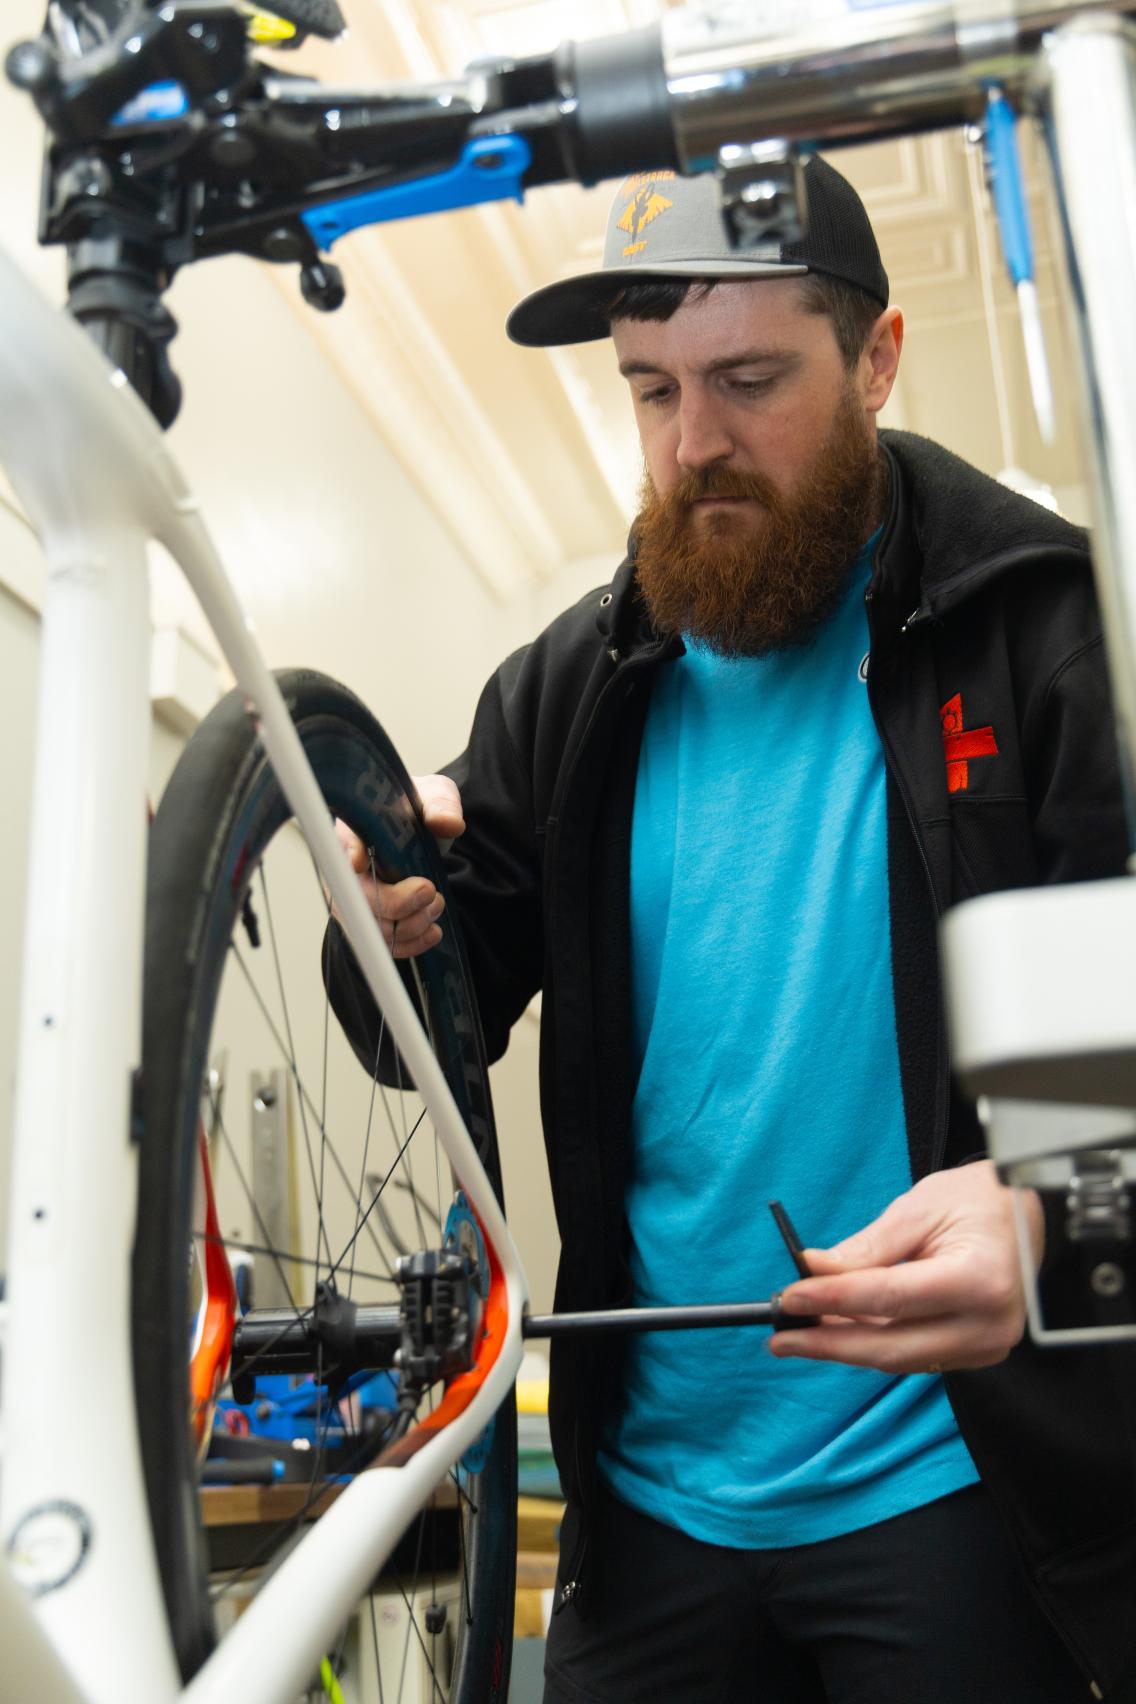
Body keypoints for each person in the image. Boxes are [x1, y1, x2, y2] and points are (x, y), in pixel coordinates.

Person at [326, 158, 1136, 1702]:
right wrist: (388, 921)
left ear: (879, 357)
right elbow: (420, 1025)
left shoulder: (1037, 633)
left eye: (751, 379)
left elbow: (1111, 1073)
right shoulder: (570, 693)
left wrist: (1050, 1220)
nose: (693, 444)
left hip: (954, 1480)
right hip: (648, 1507)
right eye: (650, 391)